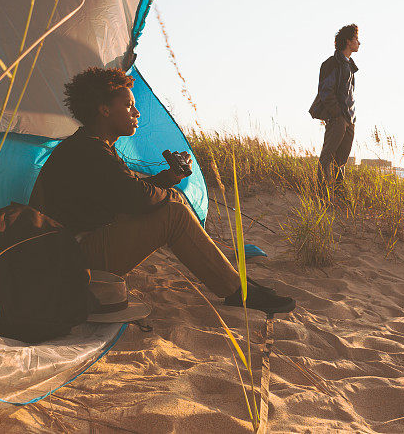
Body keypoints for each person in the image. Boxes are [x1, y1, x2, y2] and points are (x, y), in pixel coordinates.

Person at [29, 67, 295, 315]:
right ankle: (238, 291)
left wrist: (169, 179)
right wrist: (169, 193)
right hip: (73, 261)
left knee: (172, 201)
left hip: (78, 250)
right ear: (104, 110)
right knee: (173, 212)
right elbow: (135, 197)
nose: (137, 113)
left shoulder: (93, 145)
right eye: (129, 106)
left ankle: (234, 280)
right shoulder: (89, 150)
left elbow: (127, 190)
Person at [309, 24, 360, 198]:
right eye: (356, 39)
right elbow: (326, 92)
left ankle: (338, 195)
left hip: (349, 119)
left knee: (341, 161)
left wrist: (349, 118)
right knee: (327, 156)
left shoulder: (350, 66)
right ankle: (322, 194)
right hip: (338, 118)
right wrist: (337, 114)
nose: (359, 43)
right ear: (348, 41)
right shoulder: (332, 64)